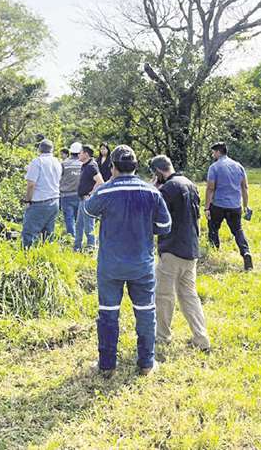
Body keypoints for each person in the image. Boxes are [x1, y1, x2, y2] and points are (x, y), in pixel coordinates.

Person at [85, 145, 171, 377]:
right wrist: (145, 228)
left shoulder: (105, 192)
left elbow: (88, 210)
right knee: (145, 312)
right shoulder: (152, 192)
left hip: (110, 265)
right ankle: (146, 364)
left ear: (112, 167)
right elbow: (165, 226)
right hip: (142, 264)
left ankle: (107, 366)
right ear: (135, 166)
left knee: (108, 313)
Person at [150, 155, 210, 353]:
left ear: (159, 172)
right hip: (190, 248)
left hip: (172, 248)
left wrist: (154, 190)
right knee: (189, 296)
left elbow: (155, 214)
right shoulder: (190, 184)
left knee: (164, 295)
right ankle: (201, 338)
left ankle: (162, 337)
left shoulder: (167, 189)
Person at [205, 142, 253, 271]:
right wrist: (245, 205)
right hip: (235, 206)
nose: (212, 154)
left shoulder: (214, 167)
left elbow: (210, 188)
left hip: (218, 205)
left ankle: (214, 255)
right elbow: (244, 187)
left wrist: (207, 207)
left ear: (218, 152)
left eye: (213, 152)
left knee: (213, 228)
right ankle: (246, 252)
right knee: (238, 230)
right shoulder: (239, 166)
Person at [22, 139, 62, 248]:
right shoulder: (57, 162)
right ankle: (46, 257)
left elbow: (31, 185)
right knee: (48, 235)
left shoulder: (37, 162)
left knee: (29, 234)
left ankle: (27, 258)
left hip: (39, 202)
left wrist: (28, 200)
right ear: (52, 150)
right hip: (54, 201)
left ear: (39, 149)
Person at [74, 144, 104, 252]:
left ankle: (91, 248)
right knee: (79, 225)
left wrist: (90, 194)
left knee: (88, 226)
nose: (78, 154)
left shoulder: (92, 166)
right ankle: (77, 247)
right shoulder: (84, 165)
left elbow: (100, 182)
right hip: (82, 199)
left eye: (80, 152)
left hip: (87, 200)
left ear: (86, 154)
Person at [59, 142, 83, 237]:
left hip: (66, 195)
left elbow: (58, 178)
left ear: (70, 151)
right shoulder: (83, 164)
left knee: (69, 218)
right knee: (79, 219)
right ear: (80, 152)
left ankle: (71, 238)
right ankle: (79, 238)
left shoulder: (64, 164)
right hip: (80, 195)